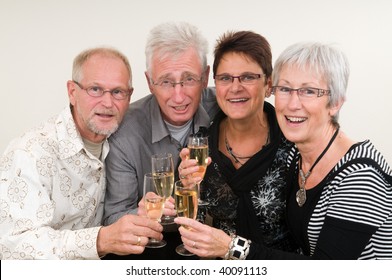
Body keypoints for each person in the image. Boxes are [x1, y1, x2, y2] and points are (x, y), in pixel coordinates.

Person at [178, 41, 392, 259]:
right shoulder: (298, 157)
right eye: (286, 89)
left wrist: (231, 247)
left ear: (335, 102)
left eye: (309, 91)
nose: (292, 104)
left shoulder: (361, 177)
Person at [0, 47, 163, 260]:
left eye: (117, 92)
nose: (107, 103)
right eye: (95, 89)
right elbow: (12, 247)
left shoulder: (119, 144)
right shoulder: (30, 152)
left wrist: (137, 215)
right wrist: (100, 241)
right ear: (72, 92)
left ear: (129, 96)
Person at [175, 30, 298, 260]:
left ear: (269, 84)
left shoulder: (293, 145)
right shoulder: (199, 146)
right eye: (225, 78)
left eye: (248, 77)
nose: (235, 87)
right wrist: (184, 186)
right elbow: (190, 230)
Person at [103, 22, 218, 226]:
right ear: (149, 83)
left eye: (189, 79)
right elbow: (114, 217)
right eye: (166, 81)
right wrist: (141, 214)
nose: (178, 96)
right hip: (153, 246)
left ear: (205, 77)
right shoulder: (124, 130)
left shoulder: (225, 108)